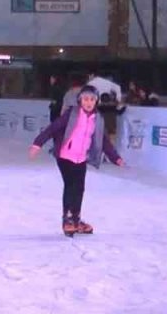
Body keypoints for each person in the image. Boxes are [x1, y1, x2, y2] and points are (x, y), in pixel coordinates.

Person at [30, 85, 125, 237]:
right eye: (86, 99)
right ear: (80, 100)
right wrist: (37, 143)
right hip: (65, 155)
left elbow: (104, 141)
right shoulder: (71, 114)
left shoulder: (97, 119)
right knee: (71, 185)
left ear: (96, 102)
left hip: (81, 158)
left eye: (92, 99)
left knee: (79, 188)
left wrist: (116, 158)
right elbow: (53, 128)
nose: (89, 102)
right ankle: (67, 219)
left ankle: (76, 219)